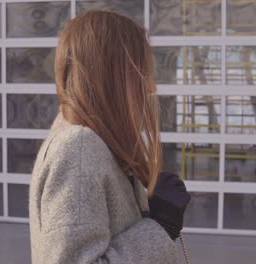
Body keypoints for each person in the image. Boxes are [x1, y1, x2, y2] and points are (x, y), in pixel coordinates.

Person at [29, 10, 191, 264]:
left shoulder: (93, 139)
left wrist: (146, 205)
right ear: (113, 75)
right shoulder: (78, 148)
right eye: (143, 72)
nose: (151, 86)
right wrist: (160, 227)